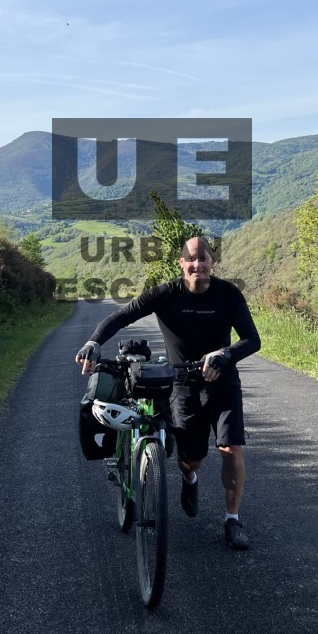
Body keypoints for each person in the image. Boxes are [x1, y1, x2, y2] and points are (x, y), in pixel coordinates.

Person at [75, 236, 260, 550]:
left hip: (222, 383)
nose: (197, 264)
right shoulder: (165, 294)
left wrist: (225, 355)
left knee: (231, 449)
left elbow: (252, 340)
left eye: (203, 258)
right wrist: (94, 340)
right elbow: (122, 317)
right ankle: (189, 479)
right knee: (193, 459)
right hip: (183, 386)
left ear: (213, 262)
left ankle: (232, 519)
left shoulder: (228, 294)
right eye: (191, 259)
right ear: (181, 263)